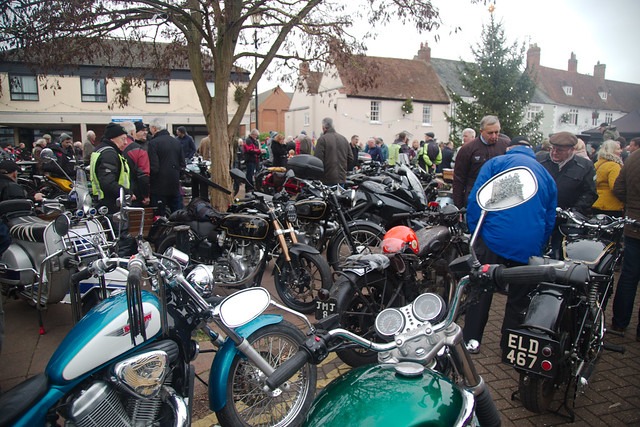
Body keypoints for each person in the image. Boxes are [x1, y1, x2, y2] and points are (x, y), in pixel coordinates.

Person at [463, 136, 557, 354]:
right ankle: (510, 347)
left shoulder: (495, 164)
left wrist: (476, 233)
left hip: (494, 238)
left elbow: (477, 201)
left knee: (481, 292)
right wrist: (539, 244)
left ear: (510, 148)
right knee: (519, 297)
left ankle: (471, 340)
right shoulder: (545, 174)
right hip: (528, 241)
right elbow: (550, 216)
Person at [539, 131, 598, 258]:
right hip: (542, 215)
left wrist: (574, 211)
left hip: (566, 220)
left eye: (559, 150)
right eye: (552, 149)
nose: (554, 153)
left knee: (561, 254)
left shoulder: (584, 166)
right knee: (537, 251)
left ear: (572, 150)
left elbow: (590, 193)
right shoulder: (541, 161)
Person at [611, 144, 640, 341]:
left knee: (629, 276)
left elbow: (618, 188)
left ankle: (619, 323)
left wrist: (631, 206)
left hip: (633, 225)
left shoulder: (633, 157)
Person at [453, 115, 509, 208]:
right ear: (481, 131)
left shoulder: (505, 145)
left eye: (497, 132)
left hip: (500, 199)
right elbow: (459, 179)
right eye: (490, 133)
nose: (494, 136)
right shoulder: (468, 149)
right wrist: (458, 206)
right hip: (475, 198)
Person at [89, 123, 131, 214]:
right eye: (123, 139)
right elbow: (107, 182)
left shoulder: (100, 150)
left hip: (102, 200)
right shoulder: (109, 154)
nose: (125, 142)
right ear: (112, 138)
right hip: (112, 203)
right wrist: (126, 193)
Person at [147, 118, 185, 215]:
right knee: (177, 216)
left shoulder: (153, 143)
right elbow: (182, 164)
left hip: (159, 187)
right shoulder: (176, 142)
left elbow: (154, 166)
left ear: (154, 129)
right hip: (174, 184)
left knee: (159, 217)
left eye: (150, 128)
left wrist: (150, 181)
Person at [314, 117, 352, 185]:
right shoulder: (343, 139)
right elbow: (350, 158)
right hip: (341, 178)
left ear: (323, 127)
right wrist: (343, 170)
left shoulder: (322, 140)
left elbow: (318, 160)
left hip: (327, 178)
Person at [592, 140, 624, 217]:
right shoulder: (614, 166)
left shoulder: (597, 164)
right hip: (611, 205)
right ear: (611, 150)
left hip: (596, 202)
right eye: (618, 149)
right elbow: (615, 186)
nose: (621, 151)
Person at [122, 121, 151, 207]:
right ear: (132, 132)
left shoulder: (114, 147)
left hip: (118, 192)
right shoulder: (138, 149)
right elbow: (143, 175)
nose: (145, 132)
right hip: (136, 193)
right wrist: (145, 195)